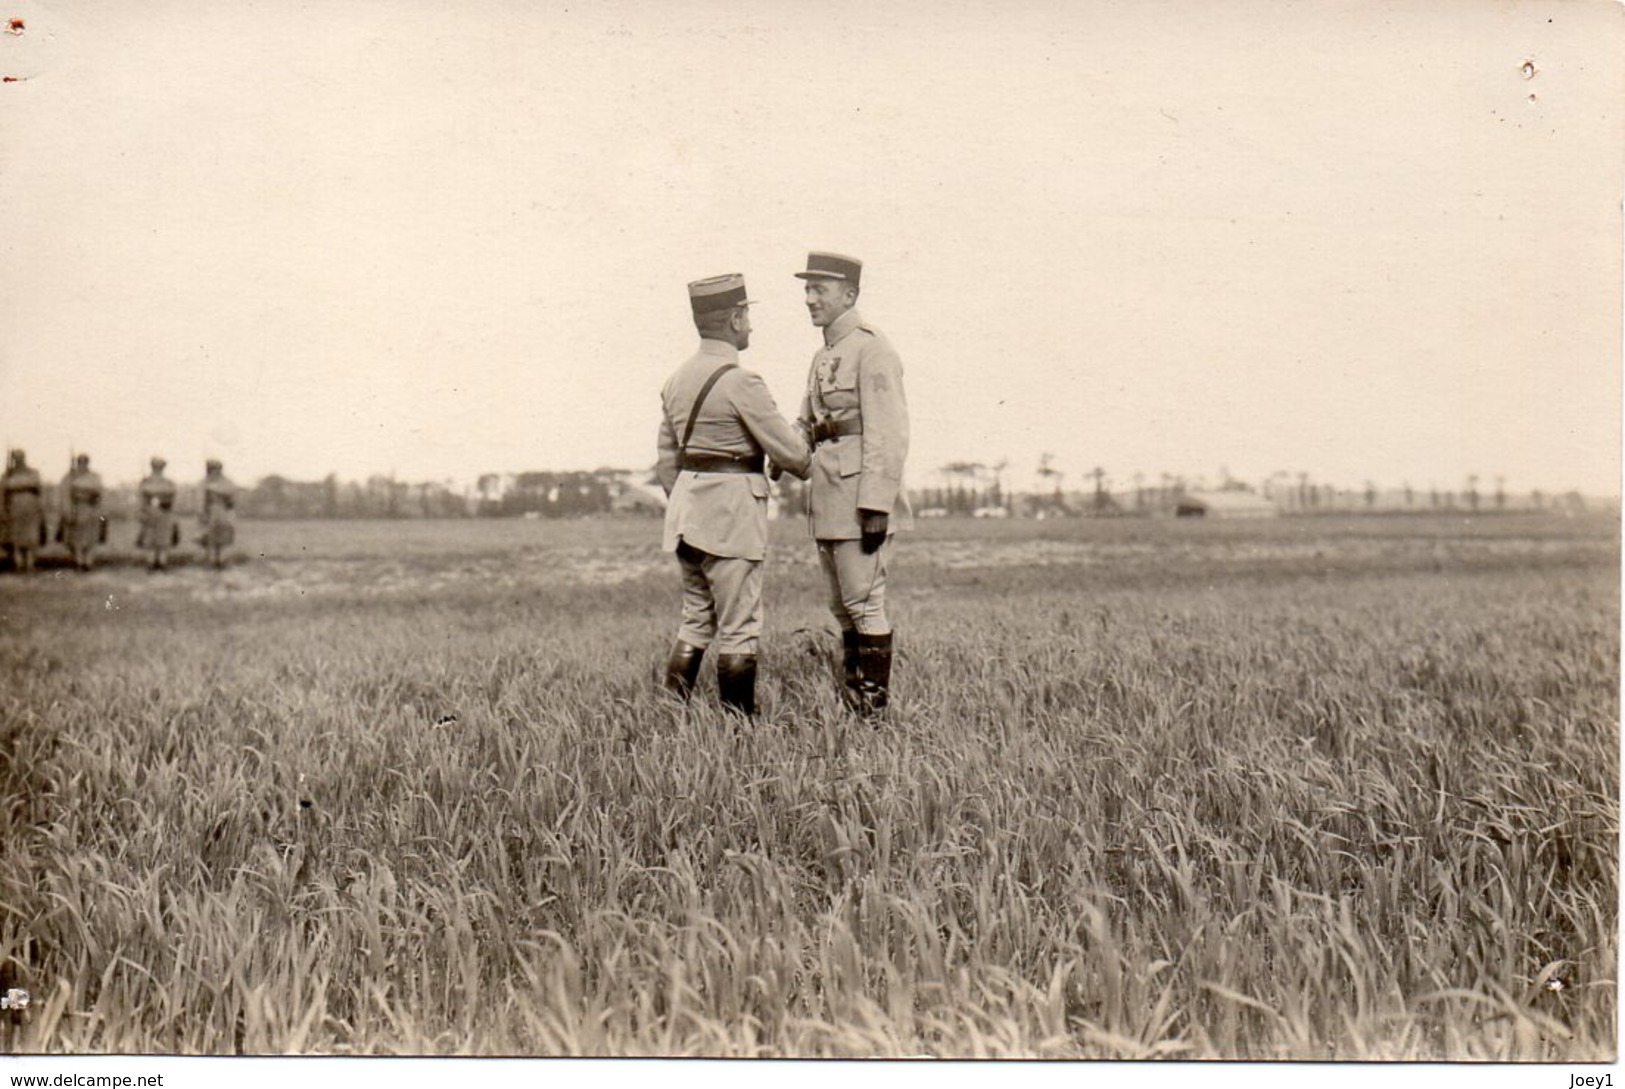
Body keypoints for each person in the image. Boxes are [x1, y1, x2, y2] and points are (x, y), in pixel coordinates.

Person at [656, 273, 811, 717]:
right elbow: (796, 458)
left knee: (696, 617)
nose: (751, 326)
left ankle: (674, 713)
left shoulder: (675, 380)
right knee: (740, 625)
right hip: (731, 517)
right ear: (736, 318)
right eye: (748, 317)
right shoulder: (742, 382)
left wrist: (691, 502)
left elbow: (667, 459)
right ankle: (738, 730)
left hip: (686, 516)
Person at [793, 252, 911, 716]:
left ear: (850, 294)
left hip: (860, 497)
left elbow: (890, 431)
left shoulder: (872, 348)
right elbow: (806, 425)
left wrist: (878, 503)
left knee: (864, 603)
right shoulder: (823, 355)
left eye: (819, 289)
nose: (809, 298)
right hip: (827, 496)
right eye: (806, 289)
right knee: (841, 607)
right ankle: (853, 699)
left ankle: (873, 712)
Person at [58, 453, 105, 572]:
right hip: (76, 509)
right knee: (76, 538)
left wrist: (99, 507)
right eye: (81, 462)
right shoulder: (70, 477)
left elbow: (100, 493)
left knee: (91, 537)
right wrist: (67, 510)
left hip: (92, 509)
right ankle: (79, 561)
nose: (83, 464)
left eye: (85, 462)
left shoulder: (94, 477)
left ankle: (88, 562)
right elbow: (64, 494)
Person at [2, 449, 45, 573]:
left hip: (31, 506)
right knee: (16, 536)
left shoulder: (33, 472)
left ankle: (30, 562)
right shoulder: (8, 474)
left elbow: (37, 486)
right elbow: (4, 490)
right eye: (16, 458)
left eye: (20, 457)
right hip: (14, 506)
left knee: (31, 536)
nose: (18, 460)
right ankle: (19, 563)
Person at [136, 457, 179, 571]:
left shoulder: (168, 482)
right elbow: (141, 499)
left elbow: (173, 499)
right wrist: (141, 513)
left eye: (160, 467)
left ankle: (162, 562)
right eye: (156, 467)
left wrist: (173, 514)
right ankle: (151, 562)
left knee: (163, 539)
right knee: (150, 539)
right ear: (152, 467)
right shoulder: (145, 482)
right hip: (150, 512)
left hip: (165, 513)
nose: (158, 469)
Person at [199, 459, 238, 569]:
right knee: (211, 540)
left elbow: (232, 501)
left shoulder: (222, 483)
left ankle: (219, 561)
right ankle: (213, 561)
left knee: (221, 539)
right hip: (213, 514)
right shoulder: (206, 483)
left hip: (221, 513)